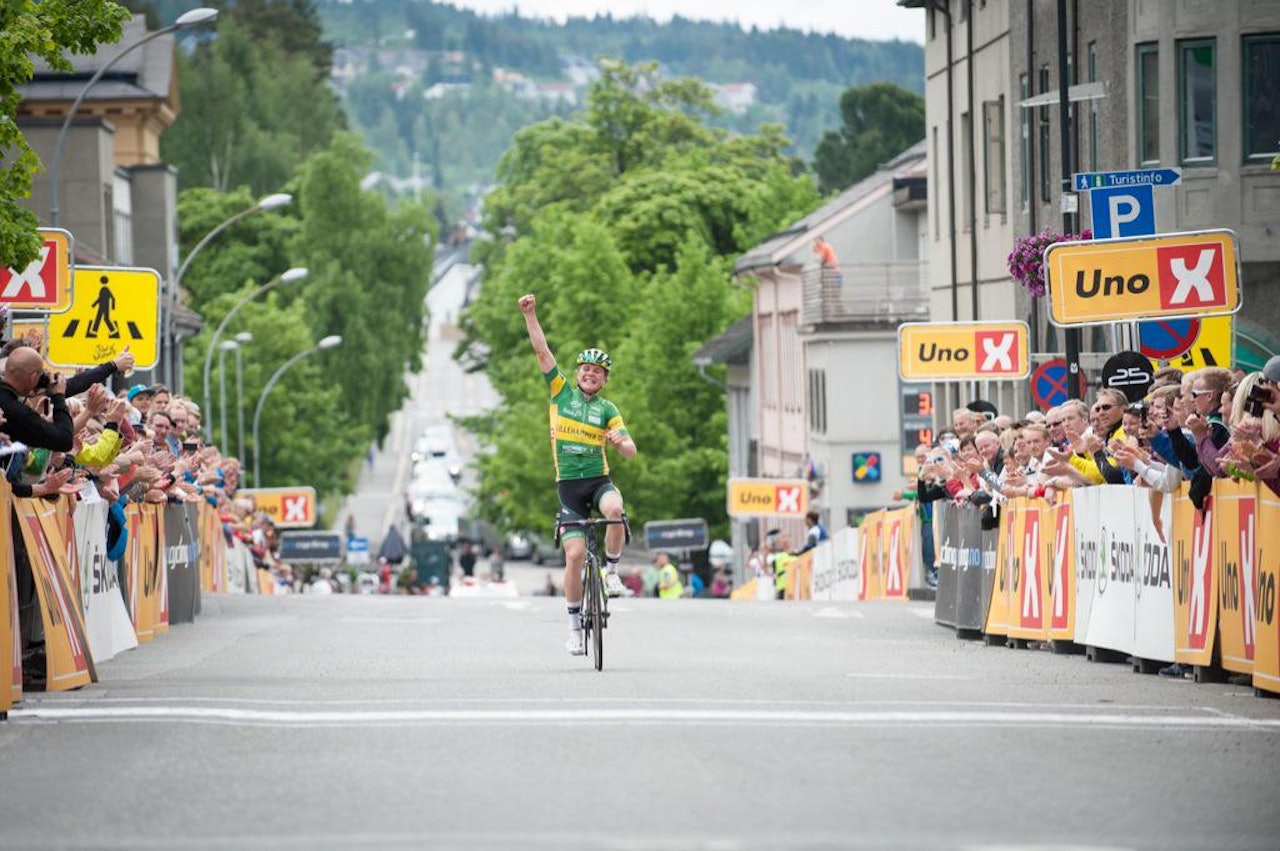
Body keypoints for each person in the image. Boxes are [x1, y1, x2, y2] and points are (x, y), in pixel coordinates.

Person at [518, 293, 637, 656]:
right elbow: (542, 352)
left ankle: (612, 571)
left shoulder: (607, 409)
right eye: (585, 368)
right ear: (578, 372)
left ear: (604, 380)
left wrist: (619, 442)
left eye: (596, 372)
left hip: (598, 482)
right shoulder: (561, 393)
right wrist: (530, 314)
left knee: (615, 510)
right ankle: (573, 626)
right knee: (574, 556)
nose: (589, 374)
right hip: (569, 488)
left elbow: (630, 450)